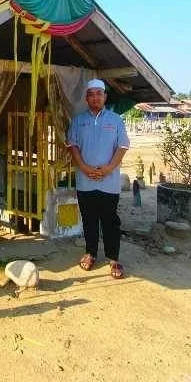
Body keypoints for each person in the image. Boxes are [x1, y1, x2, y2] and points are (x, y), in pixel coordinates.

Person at [66, 79, 130, 278]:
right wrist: (84, 168)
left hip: (109, 182)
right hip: (85, 181)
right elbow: (72, 146)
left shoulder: (116, 120)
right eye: (91, 94)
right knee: (89, 220)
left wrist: (109, 168)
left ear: (105, 97)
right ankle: (90, 253)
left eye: (99, 94)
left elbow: (123, 147)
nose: (95, 97)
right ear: (86, 98)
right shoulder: (78, 120)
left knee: (110, 220)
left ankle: (114, 259)